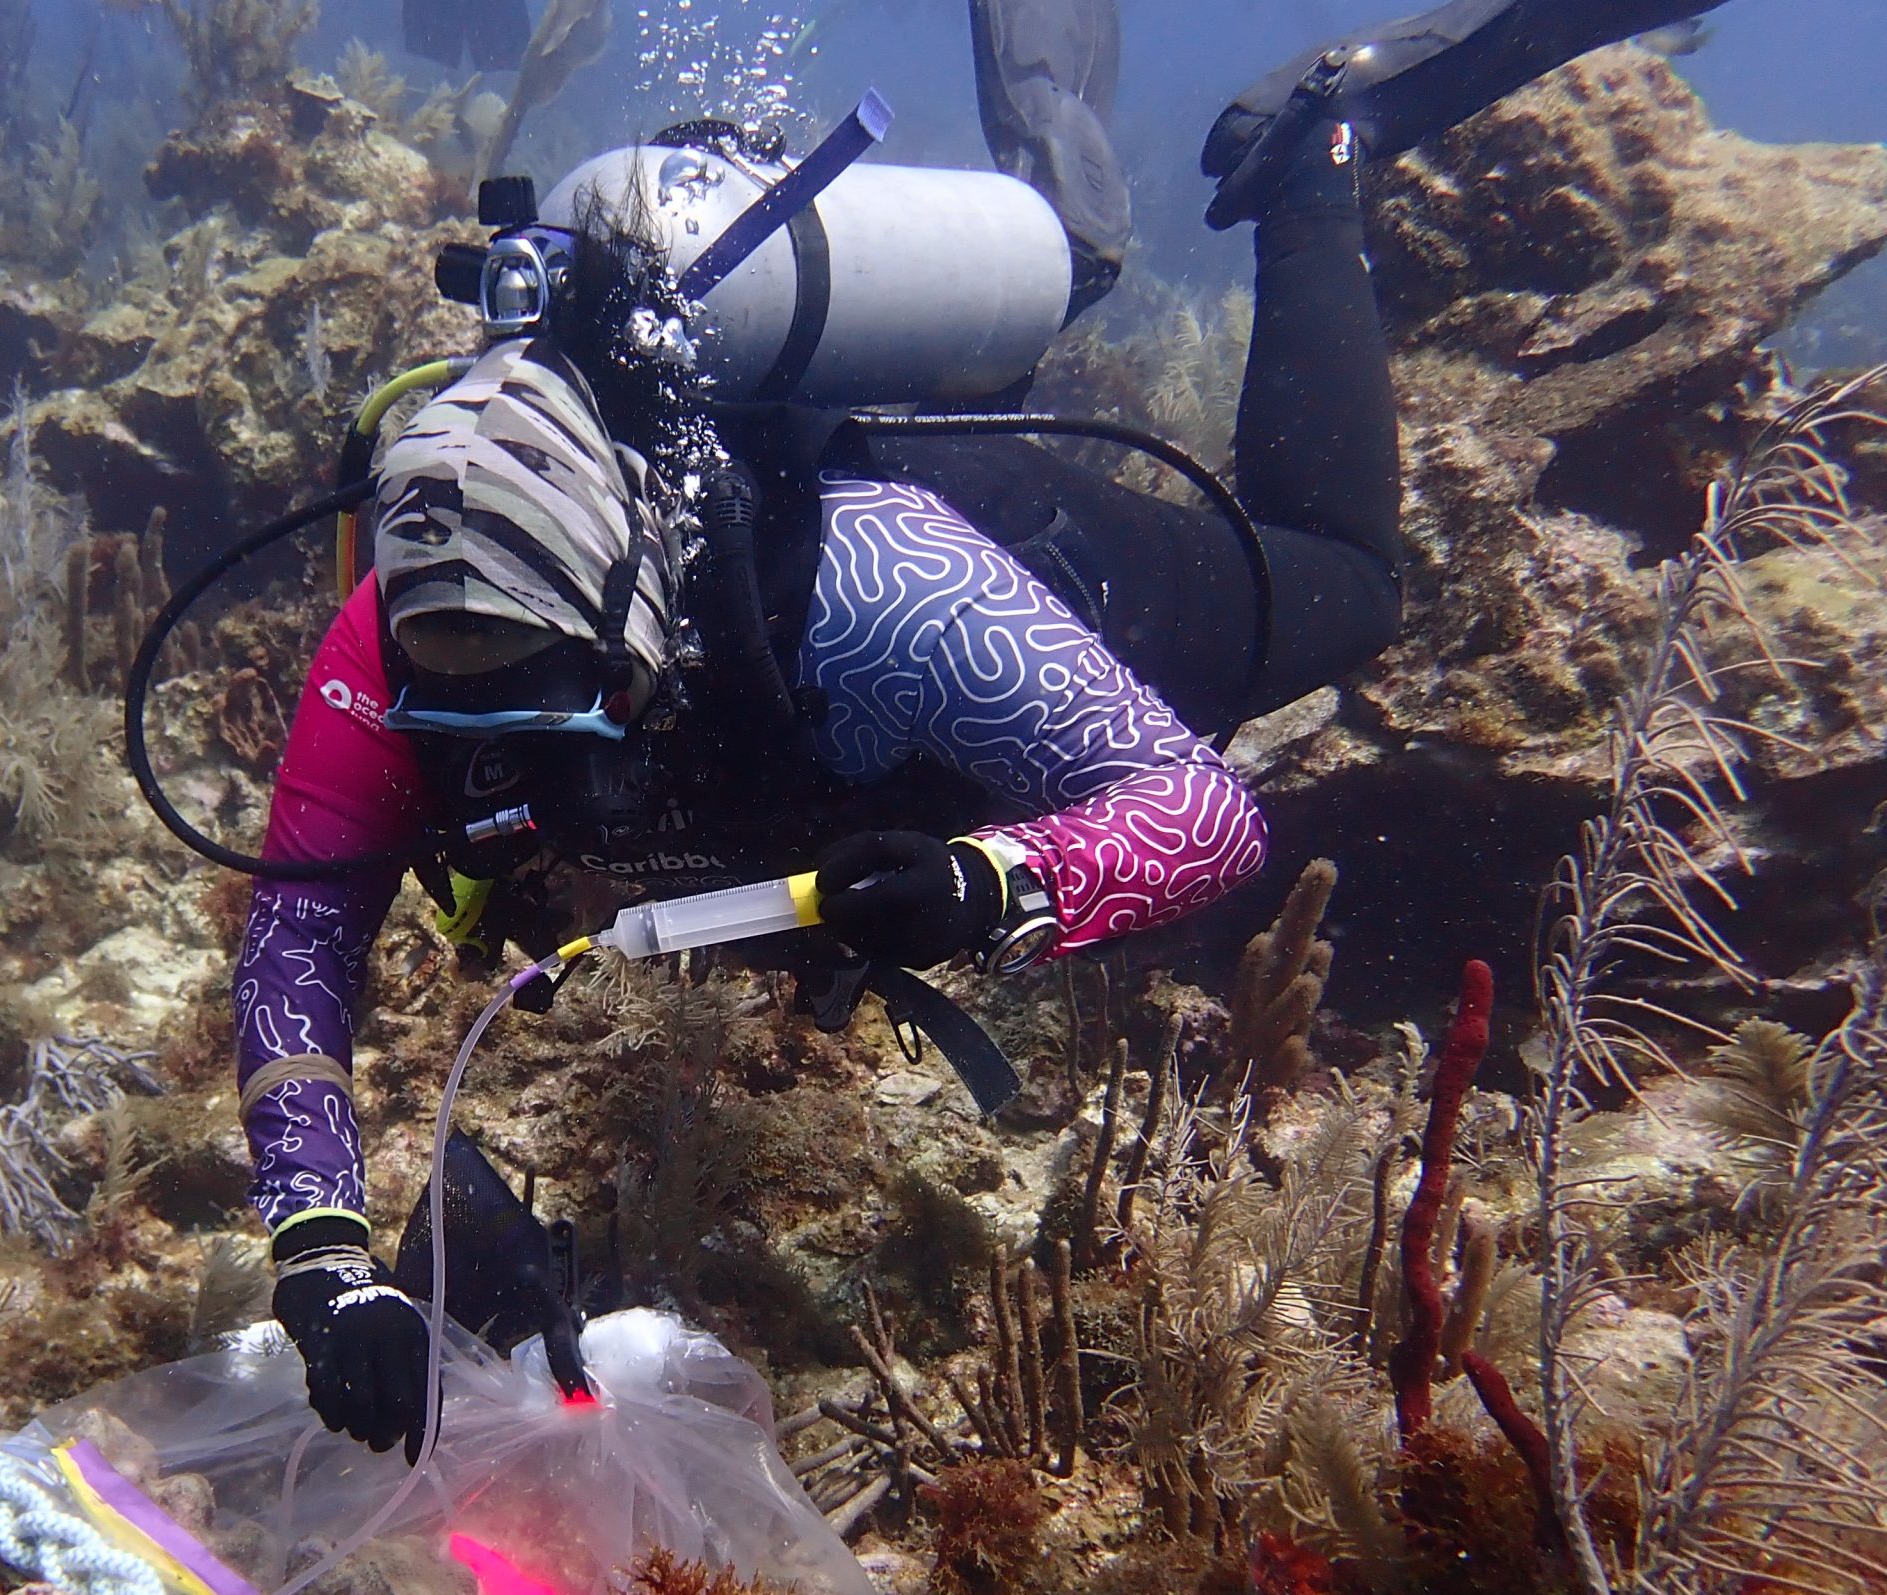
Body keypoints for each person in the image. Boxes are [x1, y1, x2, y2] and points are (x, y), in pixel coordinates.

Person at [235, 0, 1735, 1460]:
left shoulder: (878, 582)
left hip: (1042, 590)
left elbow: (1211, 818)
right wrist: (322, 1258)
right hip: (822, 762)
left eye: (571, 714)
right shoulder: (399, 626)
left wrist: (998, 882)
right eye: (482, 730)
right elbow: (300, 933)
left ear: (648, 617)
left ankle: (1313, 154)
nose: (535, 779)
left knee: (1347, 588)